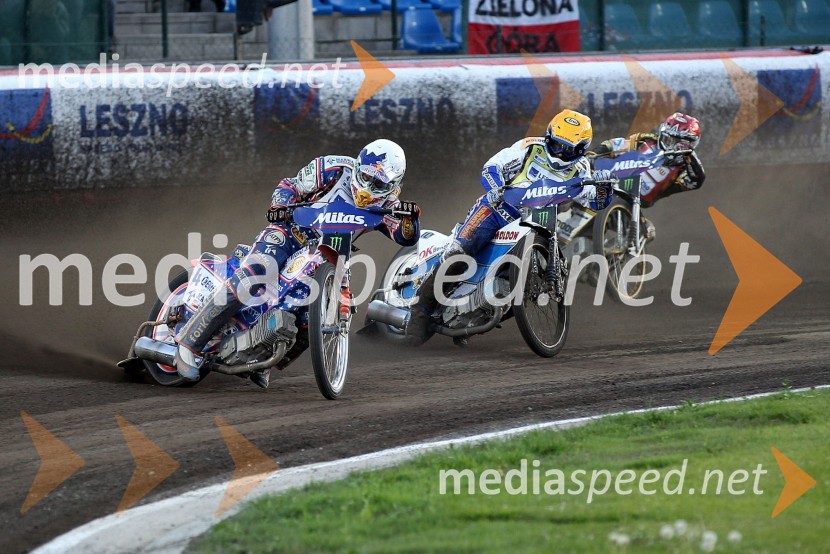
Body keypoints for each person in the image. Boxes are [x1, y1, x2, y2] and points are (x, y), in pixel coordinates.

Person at [174, 139, 421, 388]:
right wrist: (280, 205)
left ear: (393, 185)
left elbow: (404, 235)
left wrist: (410, 220)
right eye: (366, 177)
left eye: (378, 184)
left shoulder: (389, 204)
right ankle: (189, 343)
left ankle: (262, 359)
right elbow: (290, 185)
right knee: (257, 272)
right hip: (289, 234)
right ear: (357, 167)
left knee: (308, 318)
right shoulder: (333, 168)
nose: (368, 188)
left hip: (330, 253)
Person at [405, 109, 615, 342]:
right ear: (549, 136)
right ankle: (419, 313)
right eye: (556, 145)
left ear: (581, 149)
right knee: (459, 253)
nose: (560, 153)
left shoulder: (582, 169)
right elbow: (492, 166)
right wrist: (496, 188)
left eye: (568, 149)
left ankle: (474, 316)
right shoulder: (529, 147)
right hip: (496, 210)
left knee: (529, 282)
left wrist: (604, 187)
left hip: (539, 223)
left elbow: (595, 202)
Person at [588, 112, 705, 241]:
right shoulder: (647, 141)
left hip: (633, 203)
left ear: (689, 145)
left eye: (676, 142)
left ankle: (608, 250)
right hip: (613, 184)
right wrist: (592, 155)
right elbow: (614, 145)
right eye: (668, 139)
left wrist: (689, 156)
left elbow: (697, 180)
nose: (670, 145)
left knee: (648, 231)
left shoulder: (685, 168)